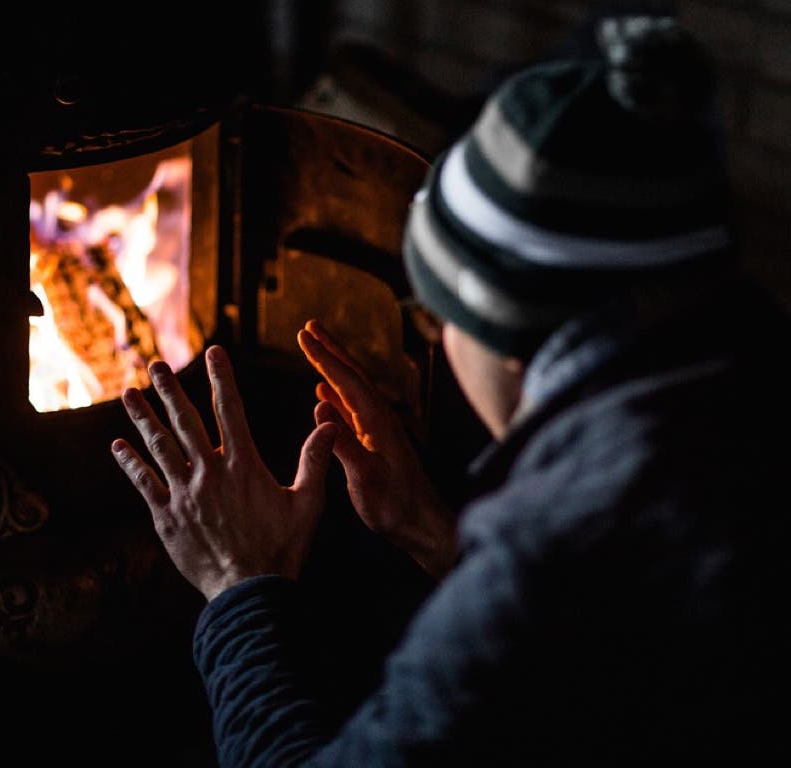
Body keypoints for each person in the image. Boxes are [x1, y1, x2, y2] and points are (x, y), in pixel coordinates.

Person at [111, 15, 791, 766]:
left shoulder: (544, 555)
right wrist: (429, 529)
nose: (433, 337)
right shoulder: (749, 393)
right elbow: (597, 663)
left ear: (503, 330)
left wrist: (240, 583)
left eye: (438, 312)